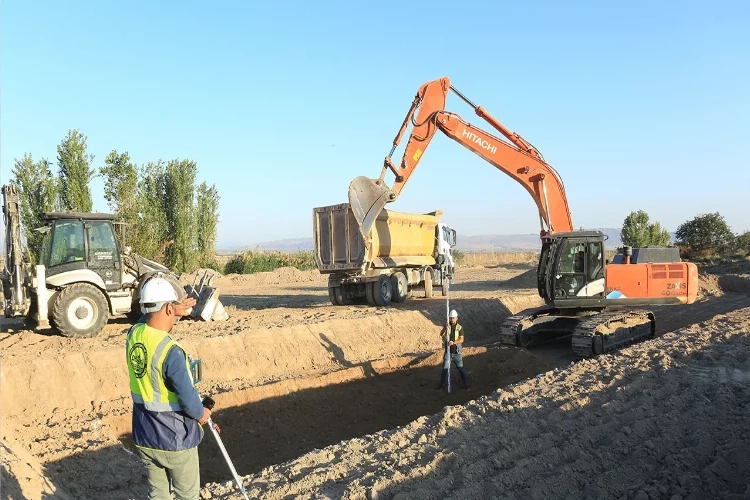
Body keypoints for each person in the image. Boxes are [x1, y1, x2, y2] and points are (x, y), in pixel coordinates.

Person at [125, 276, 210, 500]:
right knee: (186, 495)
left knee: (159, 495)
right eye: (172, 307)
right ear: (168, 308)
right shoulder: (170, 351)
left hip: (145, 435)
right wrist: (202, 414)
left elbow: (148, 318)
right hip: (174, 439)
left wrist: (171, 308)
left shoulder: (134, 335)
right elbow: (188, 400)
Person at [437, 309, 470, 390]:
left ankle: (466, 385)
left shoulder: (459, 328)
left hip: (456, 353)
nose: (452, 319)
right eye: (451, 318)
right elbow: (441, 334)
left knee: (461, 370)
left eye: (453, 318)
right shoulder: (447, 326)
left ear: (456, 318)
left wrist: (454, 342)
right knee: (444, 370)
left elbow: (461, 339)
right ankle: (441, 386)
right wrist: (445, 327)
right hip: (448, 353)